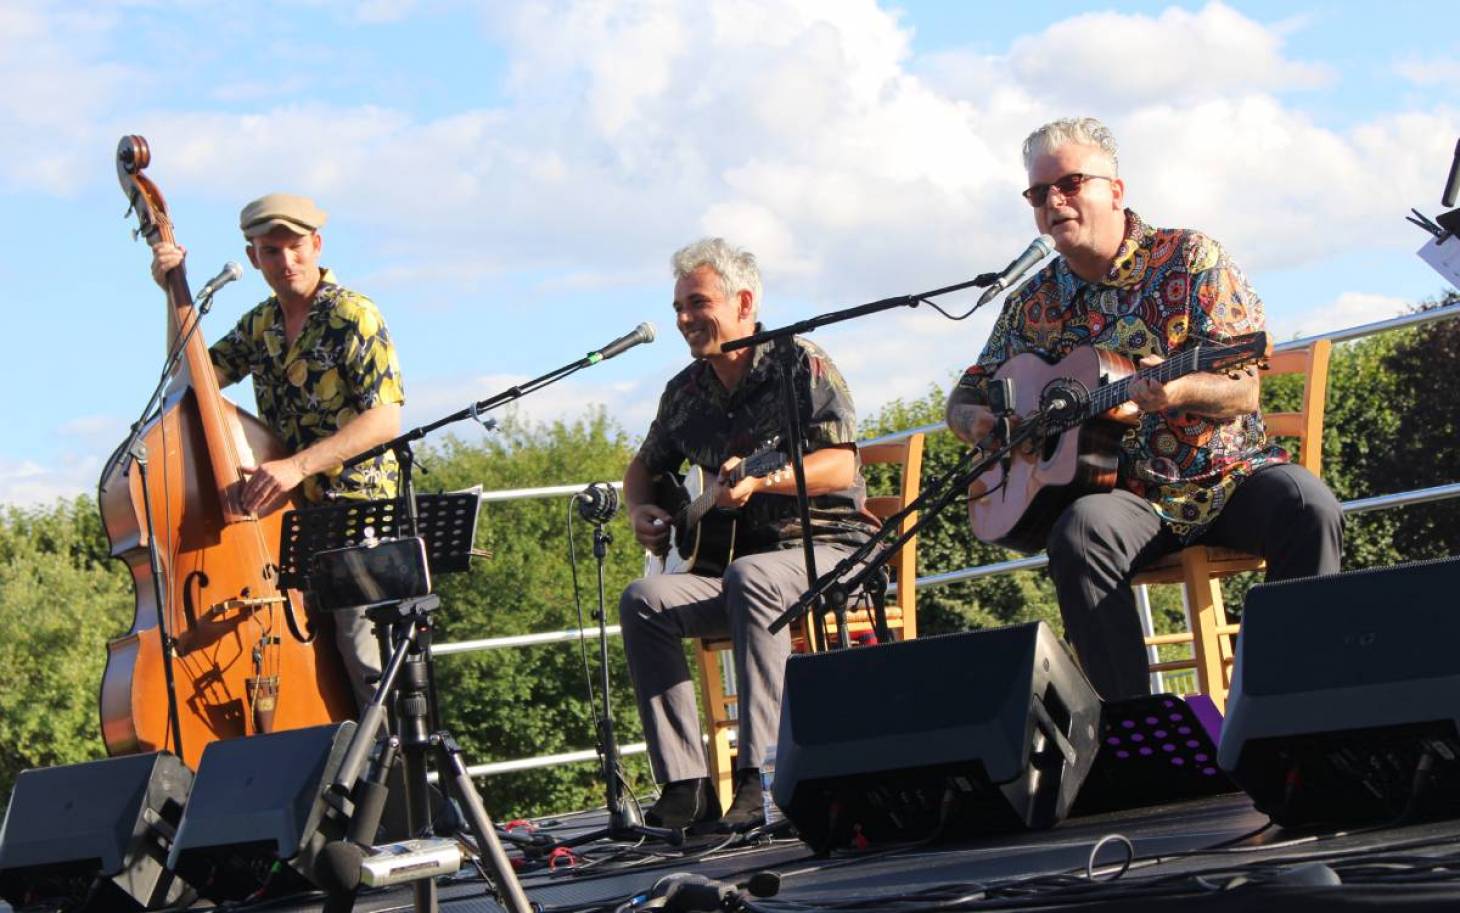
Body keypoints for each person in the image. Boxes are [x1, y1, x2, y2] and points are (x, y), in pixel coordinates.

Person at [945, 117, 1343, 700]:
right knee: (1078, 533)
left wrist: (1179, 390)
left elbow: (1245, 389)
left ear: (1116, 189)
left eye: (1071, 183)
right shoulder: (1035, 300)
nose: (1054, 201)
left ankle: (1294, 702)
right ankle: (1132, 731)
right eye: (1038, 193)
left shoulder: (1190, 257)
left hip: (1226, 477)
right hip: (1127, 500)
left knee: (1311, 506)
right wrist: (979, 424)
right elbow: (966, 394)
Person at [620, 238, 879, 832]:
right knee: (645, 601)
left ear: (743, 300)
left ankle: (759, 777)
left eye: (697, 303)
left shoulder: (800, 363)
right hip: (736, 572)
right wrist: (641, 510)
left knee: (750, 575)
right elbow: (644, 469)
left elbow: (841, 466)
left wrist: (764, 484)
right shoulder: (684, 393)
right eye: (679, 307)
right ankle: (686, 785)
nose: (685, 319)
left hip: (828, 551)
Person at [150, 193, 406, 712]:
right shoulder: (259, 325)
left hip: (359, 516)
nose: (284, 262)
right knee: (306, 669)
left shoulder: (353, 314)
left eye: (294, 247)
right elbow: (188, 377)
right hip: (290, 523)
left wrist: (296, 465)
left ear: (316, 245)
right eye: (270, 251)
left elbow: (386, 419)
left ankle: (398, 781)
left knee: (363, 658)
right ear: (252, 258)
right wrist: (170, 292)